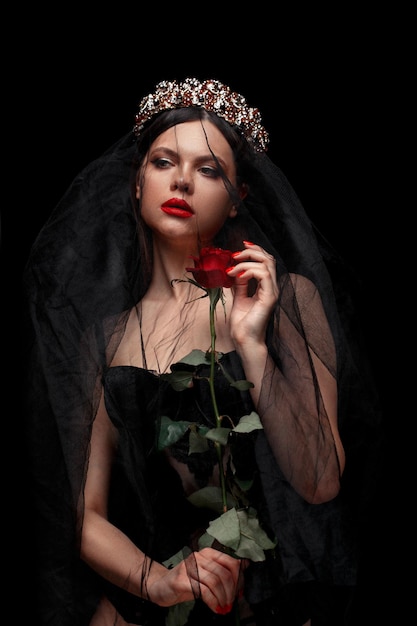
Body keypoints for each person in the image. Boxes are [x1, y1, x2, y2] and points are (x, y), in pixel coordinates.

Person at [23, 77, 381, 626]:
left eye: (209, 169)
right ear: (137, 181)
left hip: (261, 606)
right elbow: (85, 515)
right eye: (165, 161)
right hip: (144, 605)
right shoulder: (105, 337)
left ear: (239, 199)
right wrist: (158, 580)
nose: (183, 181)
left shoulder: (286, 300)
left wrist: (253, 345)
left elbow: (320, 480)